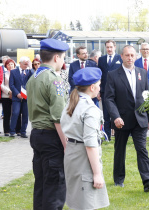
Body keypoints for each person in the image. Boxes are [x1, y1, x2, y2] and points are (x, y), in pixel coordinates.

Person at [104, 45, 149, 192]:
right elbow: (108, 99)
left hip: (140, 119)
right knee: (119, 150)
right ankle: (119, 179)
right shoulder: (113, 75)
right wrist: (115, 117)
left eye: (132, 55)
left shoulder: (143, 73)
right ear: (121, 56)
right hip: (121, 120)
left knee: (142, 149)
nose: (130, 58)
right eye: (127, 55)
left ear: (136, 56)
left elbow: (148, 97)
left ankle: (148, 180)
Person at [26, 38, 69, 209]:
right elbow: (58, 117)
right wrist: (66, 145)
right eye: (64, 57)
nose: (63, 61)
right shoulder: (54, 80)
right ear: (57, 58)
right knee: (55, 187)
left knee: (42, 186)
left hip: (37, 133)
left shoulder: (33, 78)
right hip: (52, 137)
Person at [61, 68, 109, 210]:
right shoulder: (90, 109)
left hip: (71, 153)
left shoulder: (71, 103)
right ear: (92, 87)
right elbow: (90, 145)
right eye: (99, 85)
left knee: (76, 201)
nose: (100, 88)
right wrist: (97, 174)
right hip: (83, 157)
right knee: (86, 203)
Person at [98, 40, 122, 141]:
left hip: (118, 90)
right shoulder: (101, 59)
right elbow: (99, 75)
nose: (109, 49)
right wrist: (99, 90)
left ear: (115, 47)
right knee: (106, 114)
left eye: (111, 47)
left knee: (117, 113)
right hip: (105, 91)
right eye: (107, 47)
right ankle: (107, 136)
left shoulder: (120, 58)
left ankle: (119, 135)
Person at [9, 56, 33, 138]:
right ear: (20, 63)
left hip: (26, 97)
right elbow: (11, 85)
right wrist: (17, 93)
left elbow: (34, 77)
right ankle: (12, 131)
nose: (26, 66)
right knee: (15, 113)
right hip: (17, 97)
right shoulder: (13, 72)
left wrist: (30, 67)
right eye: (25, 64)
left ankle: (23, 131)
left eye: (27, 64)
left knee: (25, 115)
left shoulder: (29, 71)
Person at [0, 59, 22, 136]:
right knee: (7, 113)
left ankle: (18, 130)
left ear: (14, 65)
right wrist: (9, 92)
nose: (10, 66)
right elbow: (1, 85)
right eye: (8, 64)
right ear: (6, 66)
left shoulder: (18, 73)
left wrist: (15, 93)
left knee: (17, 113)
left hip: (16, 96)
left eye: (12, 64)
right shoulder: (4, 74)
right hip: (6, 96)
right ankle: (6, 130)